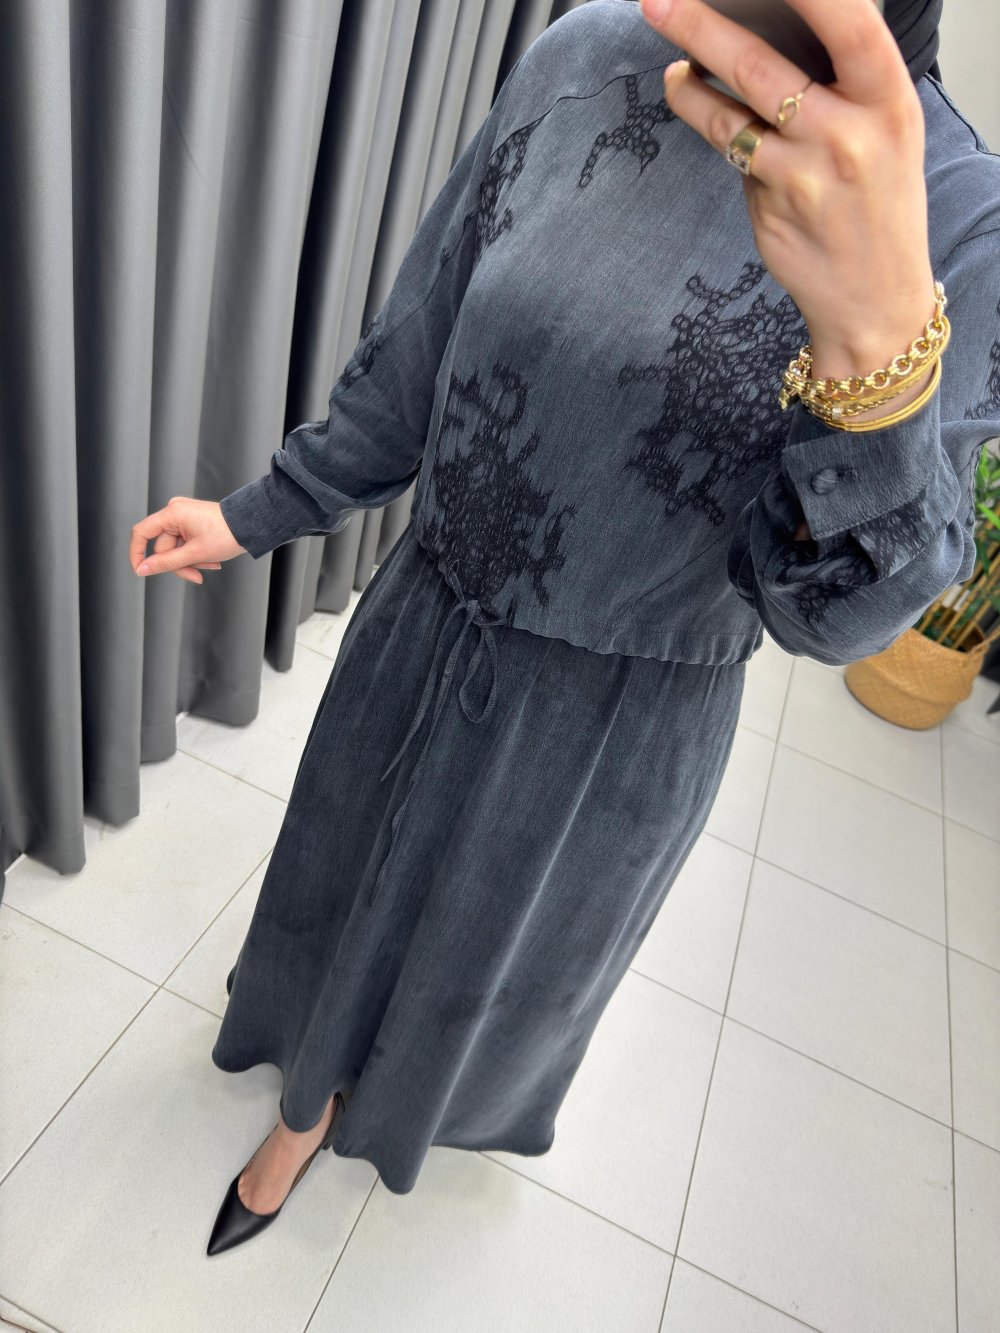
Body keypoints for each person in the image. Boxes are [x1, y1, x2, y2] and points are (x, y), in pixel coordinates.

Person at [129, 0, 1000, 1257]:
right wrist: (263, 509)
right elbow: (424, 339)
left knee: (473, 964)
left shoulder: (958, 219)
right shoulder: (589, 53)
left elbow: (836, 618)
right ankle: (301, 1105)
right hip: (421, 624)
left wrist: (871, 365)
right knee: (339, 879)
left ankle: (368, 1111)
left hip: (610, 729)